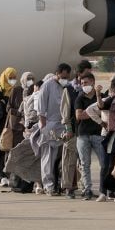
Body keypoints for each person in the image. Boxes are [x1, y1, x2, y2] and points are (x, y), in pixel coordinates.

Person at [38, 64, 72, 195]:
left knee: (61, 158)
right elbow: (41, 109)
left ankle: (61, 184)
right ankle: (48, 185)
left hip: (63, 126)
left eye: (67, 77)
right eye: (63, 76)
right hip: (50, 125)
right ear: (57, 74)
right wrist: (44, 127)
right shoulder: (47, 85)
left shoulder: (67, 86)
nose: (65, 79)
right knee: (48, 157)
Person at [72, 70, 105, 199]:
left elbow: (103, 110)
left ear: (93, 82)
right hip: (83, 135)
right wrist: (94, 112)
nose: (83, 85)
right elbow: (78, 115)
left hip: (98, 134)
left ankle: (104, 189)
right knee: (85, 164)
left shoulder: (100, 96)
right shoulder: (79, 98)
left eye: (86, 82)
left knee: (103, 163)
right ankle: (87, 189)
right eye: (82, 83)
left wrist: (90, 112)